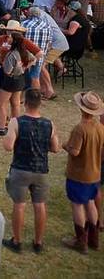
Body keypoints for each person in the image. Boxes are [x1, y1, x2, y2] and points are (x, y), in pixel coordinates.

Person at [1, 88, 60, 253]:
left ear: (25, 103)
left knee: (19, 205)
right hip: (41, 170)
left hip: (21, 168)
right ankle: (38, 242)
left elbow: (8, 146)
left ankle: (17, 241)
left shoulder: (16, 122)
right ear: (40, 103)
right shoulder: (49, 124)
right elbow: (55, 148)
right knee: (40, 205)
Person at [61, 90, 104, 253]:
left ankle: (80, 240)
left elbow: (75, 151)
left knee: (78, 205)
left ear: (82, 109)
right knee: (91, 203)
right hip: (94, 173)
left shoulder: (80, 129)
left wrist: (66, 145)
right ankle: (94, 239)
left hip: (79, 174)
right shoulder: (100, 127)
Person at [0, 20, 37, 138]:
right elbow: (33, 59)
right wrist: (24, 68)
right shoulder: (23, 51)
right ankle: (16, 127)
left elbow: (7, 71)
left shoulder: (11, 54)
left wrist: (2, 66)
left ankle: (1, 128)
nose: (8, 38)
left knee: (1, 103)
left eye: (10, 38)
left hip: (10, 80)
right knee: (15, 103)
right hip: (20, 79)